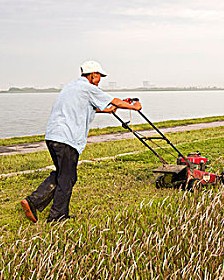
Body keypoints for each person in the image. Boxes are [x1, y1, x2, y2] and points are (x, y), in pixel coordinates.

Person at [20, 60, 142, 223]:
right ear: (92, 75)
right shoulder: (87, 88)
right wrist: (134, 107)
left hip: (53, 136)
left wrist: (116, 107)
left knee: (63, 174)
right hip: (67, 138)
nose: (99, 80)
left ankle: (34, 201)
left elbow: (102, 107)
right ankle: (56, 216)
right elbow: (113, 101)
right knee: (68, 178)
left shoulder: (71, 88)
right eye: (98, 76)